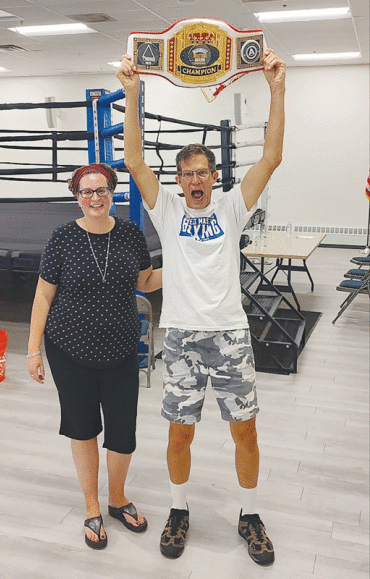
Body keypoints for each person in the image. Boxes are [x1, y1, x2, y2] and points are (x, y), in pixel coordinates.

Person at [116, 48, 285, 566]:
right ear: (179, 178)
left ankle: (249, 515)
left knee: (245, 430)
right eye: (186, 173)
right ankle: (179, 509)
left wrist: (277, 89)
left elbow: (272, 157)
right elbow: (133, 160)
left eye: (202, 172)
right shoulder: (165, 208)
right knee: (180, 430)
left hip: (230, 334)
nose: (194, 180)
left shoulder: (233, 206)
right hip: (184, 337)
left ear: (214, 176)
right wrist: (131, 93)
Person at [26, 162, 162, 550]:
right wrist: (32, 348)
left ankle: (117, 499)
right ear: (77, 197)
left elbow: (146, 282)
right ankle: (91, 506)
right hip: (69, 349)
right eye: (86, 192)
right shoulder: (63, 237)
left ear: (113, 193)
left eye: (101, 190)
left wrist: (187, 266)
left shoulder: (131, 234)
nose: (94, 198)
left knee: (123, 431)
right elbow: (43, 295)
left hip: (121, 348)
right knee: (82, 428)